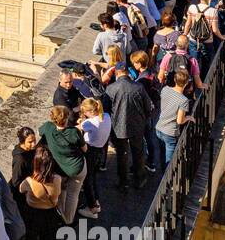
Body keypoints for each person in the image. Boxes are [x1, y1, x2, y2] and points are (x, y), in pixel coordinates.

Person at [19, 143, 62, 240]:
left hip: (31, 214)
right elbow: (57, 197)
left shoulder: (30, 182)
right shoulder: (56, 179)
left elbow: (20, 189)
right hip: (49, 215)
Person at [105, 65, 154, 195]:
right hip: (137, 125)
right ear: (127, 72)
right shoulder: (138, 87)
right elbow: (148, 107)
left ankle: (123, 182)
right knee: (138, 152)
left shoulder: (110, 88)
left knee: (122, 155)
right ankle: (139, 179)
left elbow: (106, 110)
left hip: (118, 127)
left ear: (117, 73)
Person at [38, 105, 87, 226]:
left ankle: (60, 215)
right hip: (77, 168)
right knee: (73, 194)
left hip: (59, 169)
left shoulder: (48, 128)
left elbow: (40, 131)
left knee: (61, 191)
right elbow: (84, 149)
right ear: (67, 118)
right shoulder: (74, 132)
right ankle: (69, 220)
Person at [78, 98, 111, 220]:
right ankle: (95, 201)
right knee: (92, 177)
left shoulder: (89, 123)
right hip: (100, 150)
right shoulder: (106, 116)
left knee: (87, 180)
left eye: (85, 112)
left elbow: (78, 128)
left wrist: (81, 121)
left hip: (90, 151)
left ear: (90, 112)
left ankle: (92, 207)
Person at [156, 70, 193, 168]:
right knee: (169, 162)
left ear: (175, 80)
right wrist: (188, 117)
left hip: (159, 127)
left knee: (162, 155)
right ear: (186, 83)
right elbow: (180, 121)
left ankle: (162, 176)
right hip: (170, 132)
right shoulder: (184, 100)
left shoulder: (165, 89)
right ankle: (165, 180)